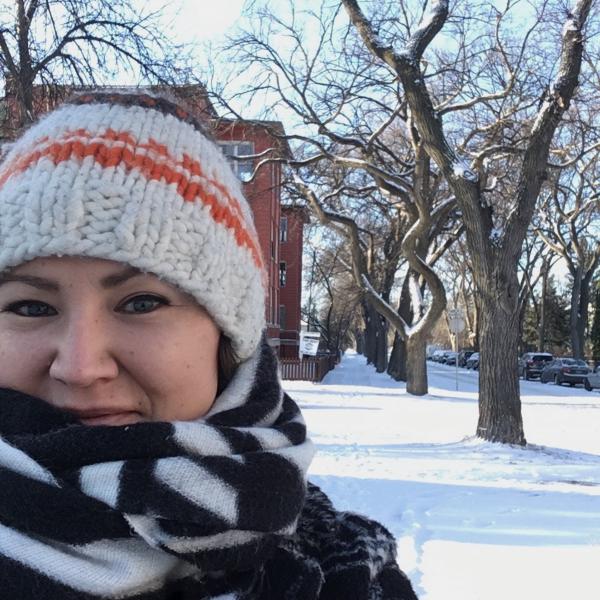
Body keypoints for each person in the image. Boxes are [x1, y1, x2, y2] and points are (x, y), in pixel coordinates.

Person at [0, 90, 418, 599]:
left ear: (228, 337)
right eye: (30, 307)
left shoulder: (342, 569)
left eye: (141, 303)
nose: (82, 366)